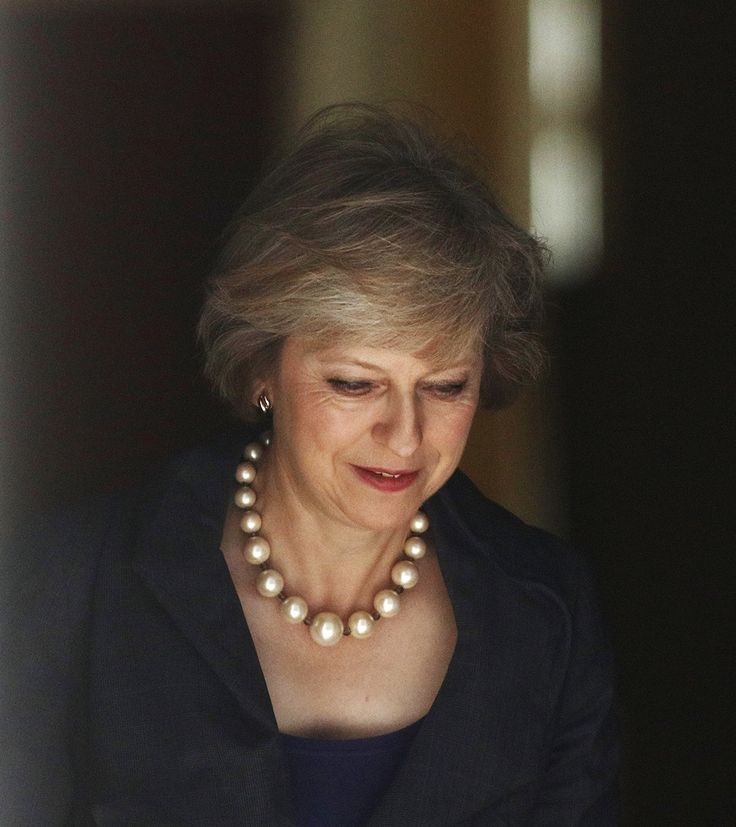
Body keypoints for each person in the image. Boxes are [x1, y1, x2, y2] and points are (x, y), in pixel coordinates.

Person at [1, 104, 618, 825]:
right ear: (264, 366)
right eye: (355, 383)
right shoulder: (72, 582)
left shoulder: (548, 613)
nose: (404, 434)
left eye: (445, 386)